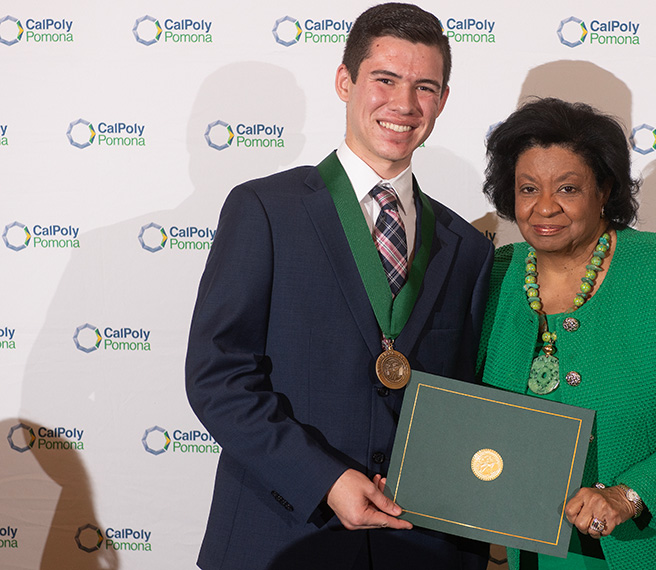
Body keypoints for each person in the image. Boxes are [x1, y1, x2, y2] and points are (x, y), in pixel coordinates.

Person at [185, 4, 493, 569]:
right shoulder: (264, 210)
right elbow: (218, 378)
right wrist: (324, 479)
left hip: (418, 543)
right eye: (385, 80)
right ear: (345, 82)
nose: (404, 104)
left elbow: (467, 400)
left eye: (425, 87)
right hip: (282, 533)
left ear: (443, 100)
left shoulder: (467, 247)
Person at [478, 98, 656, 570]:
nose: (544, 206)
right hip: (533, 550)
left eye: (567, 188)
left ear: (604, 189)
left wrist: (629, 495)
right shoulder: (496, 277)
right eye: (528, 188)